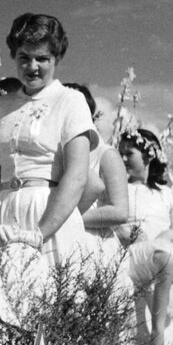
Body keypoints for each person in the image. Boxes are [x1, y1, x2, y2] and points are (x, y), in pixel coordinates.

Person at [0, 13, 98, 267]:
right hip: (5, 222)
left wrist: (40, 232)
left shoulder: (71, 101)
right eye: (24, 58)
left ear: (56, 58)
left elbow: (77, 176)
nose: (32, 67)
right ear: (14, 56)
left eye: (42, 58)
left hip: (51, 217)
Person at [64, 83, 129, 255]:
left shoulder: (107, 155)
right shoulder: (60, 150)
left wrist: (68, 219)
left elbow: (120, 211)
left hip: (93, 243)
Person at [118, 128, 173, 244]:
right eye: (121, 154)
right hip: (127, 253)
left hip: (159, 253)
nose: (123, 159)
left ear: (149, 156)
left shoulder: (166, 193)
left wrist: (163, 239)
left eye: (129, 154)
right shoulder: (119, 189)